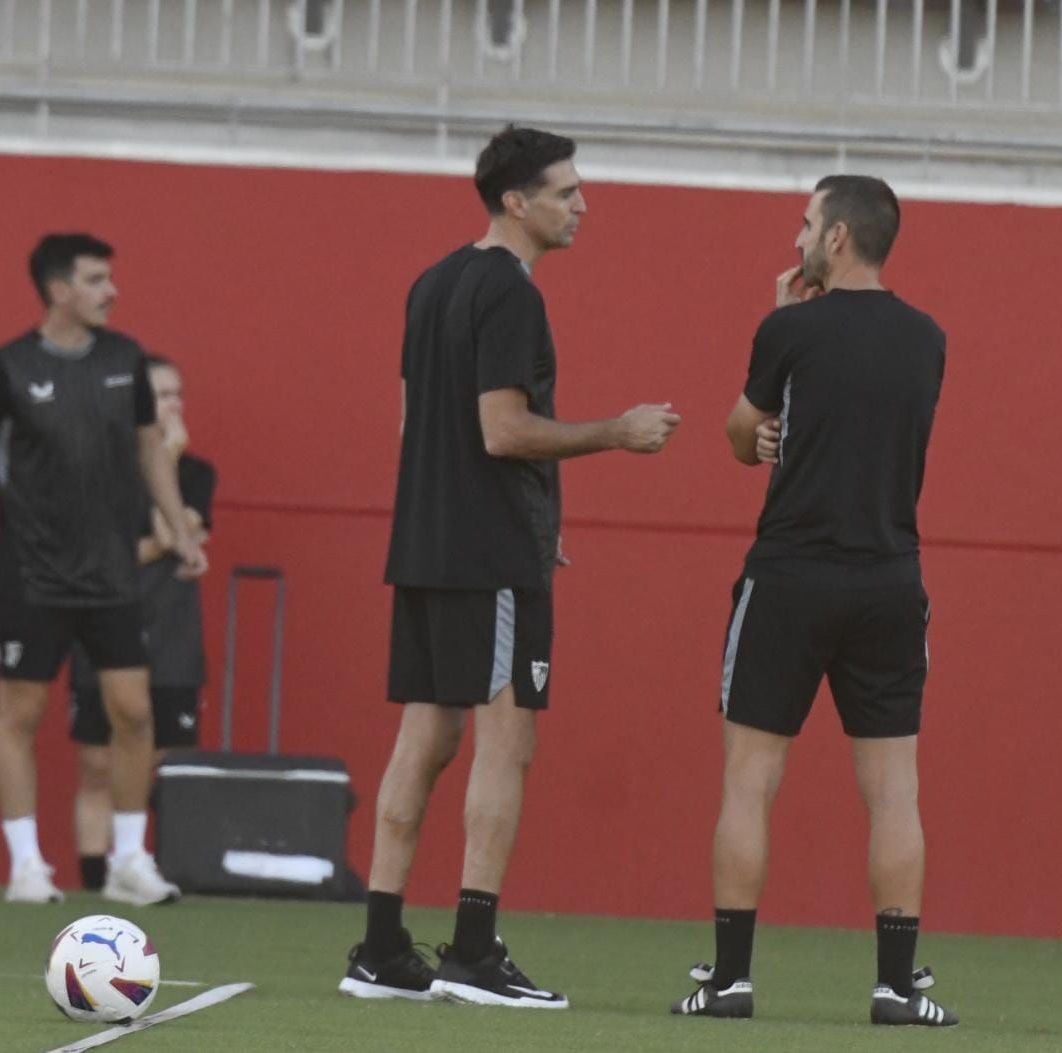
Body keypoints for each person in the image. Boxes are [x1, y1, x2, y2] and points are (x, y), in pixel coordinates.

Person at [338, 125, 682, 1009]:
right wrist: (618, 431)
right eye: (566, 192)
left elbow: (418, 426)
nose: (582, 205)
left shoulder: (431, 282)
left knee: (426, 736)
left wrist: (526, 516)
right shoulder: (512, 296)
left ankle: (379, 948)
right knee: (508, 738)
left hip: (427, 545)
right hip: (485, 556)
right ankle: (475, 951)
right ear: (515, 202)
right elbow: (501, 430)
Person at [671, 176, 957, 1026]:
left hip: (790, 575)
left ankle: (728, 982)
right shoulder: (928, 338)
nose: (796, 237)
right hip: (887, 579)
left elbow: (739, 435)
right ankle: (897, 989)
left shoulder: (788, 327)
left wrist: (781, 330)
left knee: (750, 783)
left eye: (805, 224)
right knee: (895, 791)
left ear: (836, 238)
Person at [0, 233, 206, 906]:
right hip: (32, 576)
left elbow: (151, 451)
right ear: (59, 288)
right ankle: (27, 865)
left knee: (132, 711)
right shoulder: (5, 368)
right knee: (21, 713)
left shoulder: (126, 360)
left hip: (113, 574)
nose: (111, 290)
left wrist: (180, 530)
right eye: (97, 280)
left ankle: (128, 859)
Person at [67, 355, 216, 894]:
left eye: (178, 393)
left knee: (159, 760)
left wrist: (169, 460)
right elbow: (119, 555)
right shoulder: (100, 471)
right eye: (160, 394)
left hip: (173, 634)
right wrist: (165, 541)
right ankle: (93, 876)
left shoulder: (197, 472)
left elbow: (176, 532)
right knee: (97, 760)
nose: (173, 404)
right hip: (104, 625)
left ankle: (143, 865)